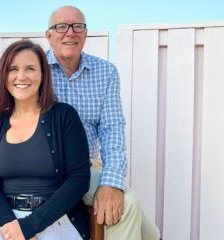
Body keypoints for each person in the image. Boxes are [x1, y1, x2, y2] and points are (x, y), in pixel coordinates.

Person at [45, 5, 161, 240]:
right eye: (61, 27)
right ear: (49, 35)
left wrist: (111, 182)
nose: (70, 32)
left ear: (86, 34)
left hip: (88, 167)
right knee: (129, 204)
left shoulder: (105, 72)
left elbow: (112, 130)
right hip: (50, 168)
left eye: (78, 26)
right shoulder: (35, 69)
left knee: (150, 233)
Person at [0, 40, 91, 240]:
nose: (21, 76)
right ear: (4, 75)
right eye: (13, 69)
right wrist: (12, 229)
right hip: (5, 224)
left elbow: (78, 180)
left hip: (54, 221)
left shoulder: (64, 116)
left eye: (30, 68)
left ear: (43, 75)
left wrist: (28, 227)